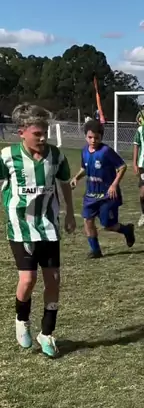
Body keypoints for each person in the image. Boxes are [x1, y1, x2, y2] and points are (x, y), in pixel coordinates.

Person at [0, 103, 76, 357]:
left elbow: (64, 183)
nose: (43, 138)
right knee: (28, 279)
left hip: (48, 226)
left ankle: (47, 333)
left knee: (53, 280)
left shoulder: (56, 155)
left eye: (45, 133)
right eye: (37, 133)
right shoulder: (7, 156)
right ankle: (22, 320)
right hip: (20, 226)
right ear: (21, 132)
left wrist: (69, 213)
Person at [70, 120, 135, 258]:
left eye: (96, 138)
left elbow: (122, 167)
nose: (93, 140)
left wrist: (114, 185)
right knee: (88, 220)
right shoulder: (84, 151)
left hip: (107, 196)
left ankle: (126, 230)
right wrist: (76, 178)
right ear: (85, 137)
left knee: (108, 225)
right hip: (90, 195)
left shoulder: (106, 151)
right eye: (90, 137)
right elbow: (84, 168)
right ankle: (96, 251)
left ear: (101, 137)